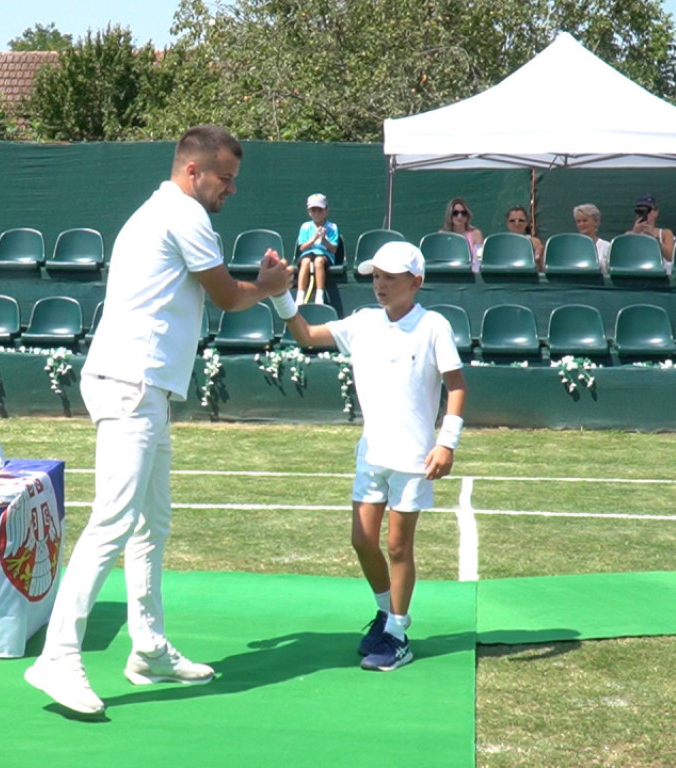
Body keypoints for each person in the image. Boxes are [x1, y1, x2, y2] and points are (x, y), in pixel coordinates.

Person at [24, 125, 293, 717]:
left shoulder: (164, 211)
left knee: (153, 524)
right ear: (193, 172)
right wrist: (270, 287)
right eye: (225, 179)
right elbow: (225, 297)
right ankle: (57, 657)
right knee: (113, 522)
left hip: (146, 387)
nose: (231, 190)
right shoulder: (183, 214)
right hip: (131, 384)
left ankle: (146, 646)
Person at [275, 240, 466, 672]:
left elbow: (457, 387)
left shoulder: (433, 325)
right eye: (376, 276)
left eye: (390, 278)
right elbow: (306, 335)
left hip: (416, 458)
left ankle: (398, 636)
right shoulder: (362, 323)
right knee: (362, 540)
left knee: (399, 546)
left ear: (415, 282)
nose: (379, 284)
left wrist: (446, 443)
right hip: (372, 453)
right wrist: (279, 294)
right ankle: (388, 613)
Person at [294, 193, 340, 305]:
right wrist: (314, 239)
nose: (317, 213)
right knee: (305, 261)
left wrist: (324, 239)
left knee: (319, 261)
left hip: (325, 255)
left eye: (320, 210)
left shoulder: (333, 227)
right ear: (309, 212)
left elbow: (333, 250)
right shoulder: (305, 227)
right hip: (308, 254)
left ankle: (319, 297)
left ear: (326, 211)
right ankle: (300, 297)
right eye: (313, 210)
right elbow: (302, 248)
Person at [626, 194, 675, 273]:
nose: (643, 213)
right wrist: (634, 234)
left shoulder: (665, 233)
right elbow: (625, 256)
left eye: (647, 210)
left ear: (656, 212)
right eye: (639, 210)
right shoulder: (630, 234)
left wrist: (653, 238)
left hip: (660, 273)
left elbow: (670, 257)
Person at [441, 197, 483, 271]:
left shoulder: (475, 233)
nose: (459, 216)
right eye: (455, 213)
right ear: (450, 215)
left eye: (463, 213)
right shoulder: (443, 234)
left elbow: (478, 259)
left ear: (468, 216)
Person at [573, 203, 611, 274]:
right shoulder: (572, 247)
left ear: (596, 222)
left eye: (585, 220)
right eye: (578, 221)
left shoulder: (607, 246)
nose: (581, 224)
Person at [504, 206, 543, 271]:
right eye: (512, 221)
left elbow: (540, 269)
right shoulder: (500, 243)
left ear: (527, 223)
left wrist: (538, 261)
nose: (517, 224)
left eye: (521, 220)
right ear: (507, 223)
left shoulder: (535, 242)